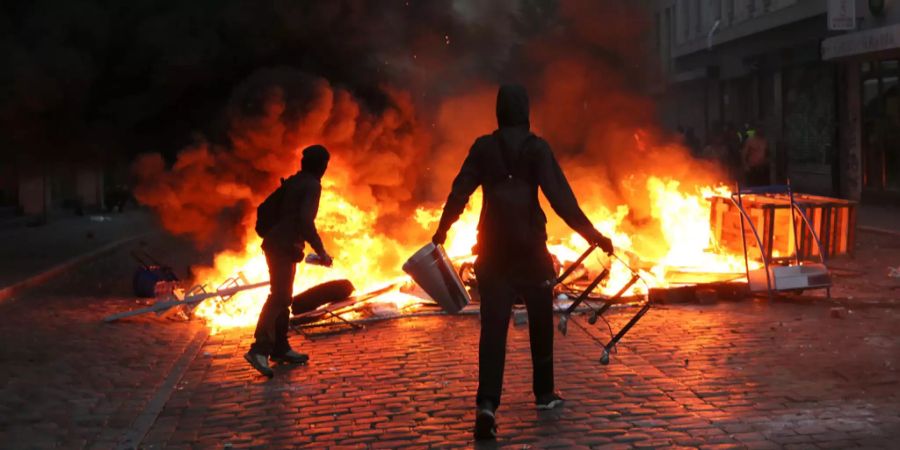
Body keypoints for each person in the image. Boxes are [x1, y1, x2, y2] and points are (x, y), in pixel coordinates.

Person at [431, 84, 614, 440]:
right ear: (526, 111)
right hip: (532, 250)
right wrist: (594, 235)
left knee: (493, 329)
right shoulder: (536, 148)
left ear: (499, 111)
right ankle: (544, 394)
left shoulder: (484, 148)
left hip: (493, 250)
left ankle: (487, 404)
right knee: (541, 320)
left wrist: (441, 231)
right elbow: (562, 199)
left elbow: (459, 192)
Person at [244, 145, 334, 378]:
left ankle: (280, 348)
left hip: (281, 245)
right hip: (282, 246)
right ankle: (259, 349)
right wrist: (321, 250)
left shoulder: (297, 180)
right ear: (322, 166)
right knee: (280, 296)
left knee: (285, 296)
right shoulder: (312, 185)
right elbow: (305, 220)